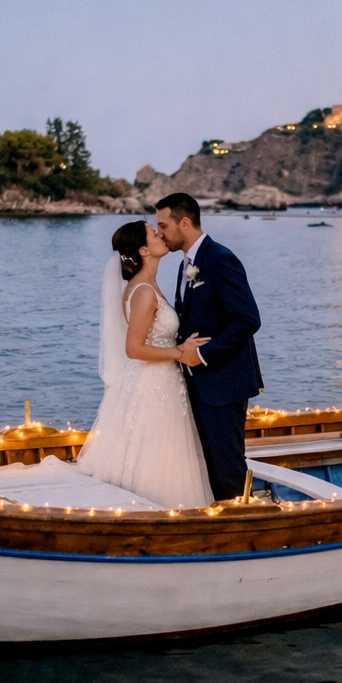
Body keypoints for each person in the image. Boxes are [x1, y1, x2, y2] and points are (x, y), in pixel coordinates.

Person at [75, 220, 214, 509]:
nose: (160, 234)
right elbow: (133, 348)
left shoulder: (148, 286)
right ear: (143, 250)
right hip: (153, 384)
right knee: (157, 450)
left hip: (162, 380)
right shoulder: (143, 292)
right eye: (154, 233)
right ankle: (156, 510)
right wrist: (179, 352)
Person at [153, 192, 264, 502]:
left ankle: (242, 524)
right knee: (208, 468)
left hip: (223, 383)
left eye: (163, 226)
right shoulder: (186, 265)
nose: (160, 233)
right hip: (198, 385)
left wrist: (202, 354)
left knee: (228, 468)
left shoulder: (220, 258)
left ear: (184, 223)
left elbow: (248, 319)